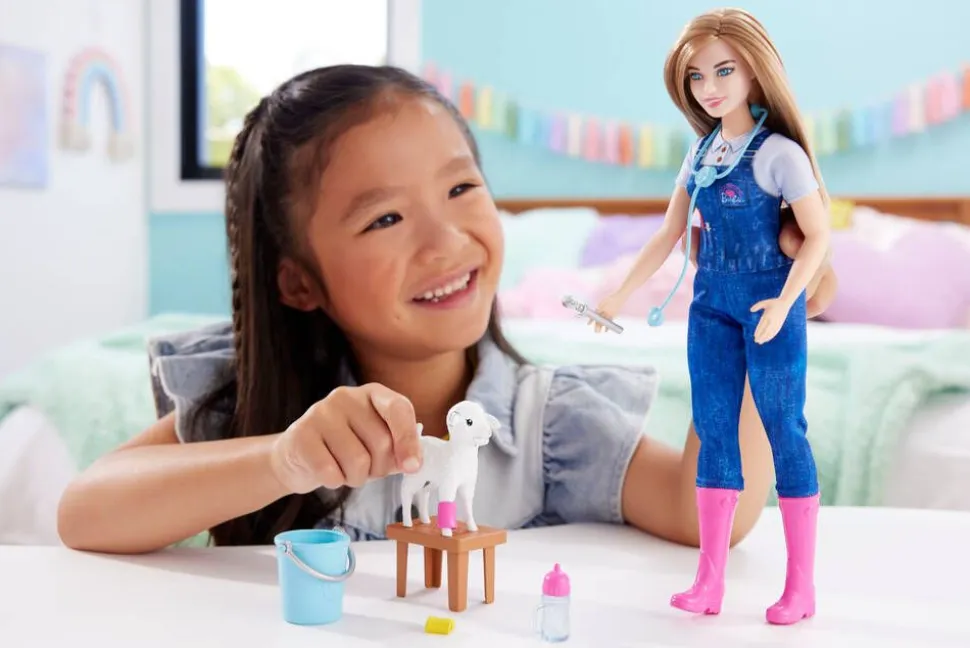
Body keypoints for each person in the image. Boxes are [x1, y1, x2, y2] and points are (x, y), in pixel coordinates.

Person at [56, 64, 835, 568]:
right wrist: (284, 462)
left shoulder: (549, 425)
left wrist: (757, 319)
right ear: (298, 283)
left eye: (462, 190)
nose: (447, 242)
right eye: (385, 220)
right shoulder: (262, 410)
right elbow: (85, 511)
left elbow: (707, 514)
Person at [595, 8, 831, 626]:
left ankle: (800, 588)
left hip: (768, 302)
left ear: (755, 70)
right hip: (710, 308)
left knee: (784, 429)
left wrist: (787, 301)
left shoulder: (779, 154)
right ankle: (709, 581)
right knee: (714, 431)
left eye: (723, 71)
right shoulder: (701, 151)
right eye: (697, 76)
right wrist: (619, 293)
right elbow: (669, 232)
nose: (709, 87)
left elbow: (818, 235)